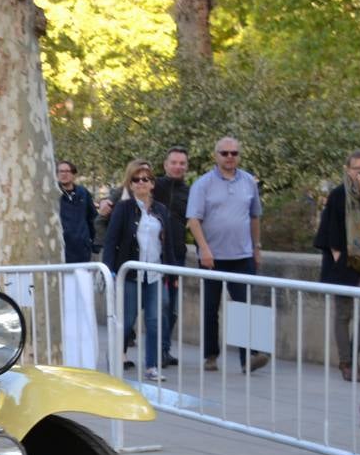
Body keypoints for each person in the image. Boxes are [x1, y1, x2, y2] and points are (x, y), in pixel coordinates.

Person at [186, 136, 269, 373]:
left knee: (244, 306)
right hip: (213, 256)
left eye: (234, 153)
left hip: (242, 255)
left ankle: (249, 358)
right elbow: (193, 219)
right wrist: (204, 249)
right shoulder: (203, 184)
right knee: (211, 308)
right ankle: (211, 356)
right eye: (225, 153)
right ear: (216, 156)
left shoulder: (248, 182)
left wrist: (257, 247)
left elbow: (254, 216)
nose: (230, 157)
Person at [103, 161, 171, 381]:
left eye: (146, 179)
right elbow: (111, 240)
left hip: (155, 274)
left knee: (154, 320)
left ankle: (151, 365)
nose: (141, 183)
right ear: (130, 185)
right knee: (127, 318)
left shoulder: (160, 210)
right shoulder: (123, 208)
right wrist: (110, 270)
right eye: (136, 179)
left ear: (152, 184)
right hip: (130, 274)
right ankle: (115, 357)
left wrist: (172, 272)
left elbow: (166, 243)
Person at [313, 150, 360, 382]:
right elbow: (329, 232)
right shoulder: (338, 195)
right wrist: (341, 259)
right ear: (348, 169)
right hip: (343, 261)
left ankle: (352, 355)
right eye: (357, 168)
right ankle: (346, 363)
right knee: (344, 313)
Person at [57, 160, 99, 369]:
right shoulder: (52, 195)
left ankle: (81, 334)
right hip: (61, 255)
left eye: (67, 171)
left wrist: (93, 243)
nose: (64, 175)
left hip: (81, 252)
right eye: (60, 172)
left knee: (81, 297)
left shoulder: (83, 194)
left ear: (73, 174)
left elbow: (93, 219)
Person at [153, 146, 191, 366]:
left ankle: (164, 349)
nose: (178, 167)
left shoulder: (191, 192)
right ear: (166, 165)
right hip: (153, 256)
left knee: (171, 306)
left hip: (177, 256)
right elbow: (125, 190)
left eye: (182, 163)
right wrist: (107, 202)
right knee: (160, 304)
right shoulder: (152, 185)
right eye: (174, 162)